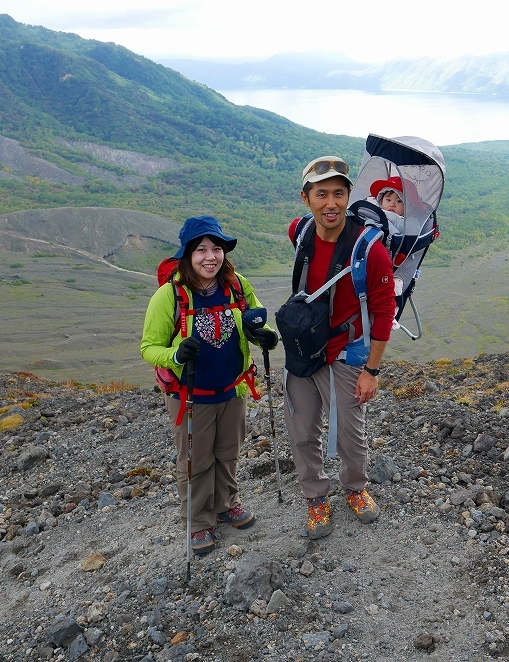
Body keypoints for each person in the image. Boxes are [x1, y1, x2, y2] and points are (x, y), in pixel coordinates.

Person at [141, 216, 278, 555]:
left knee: (227, 452)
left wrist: (261, 334)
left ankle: (225, 504)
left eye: (216, 248)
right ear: (187, 254)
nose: (210, 257)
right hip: (191, 395)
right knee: (194, 459)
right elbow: (148, 347)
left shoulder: (236, 283)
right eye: (200, 250)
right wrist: (175, 354)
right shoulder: (168, 296)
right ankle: (199, 521)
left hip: (233, 388)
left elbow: (255, 313)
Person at [283, 156, 397, 539]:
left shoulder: (369, 251)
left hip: (346, 354)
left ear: (349, 196)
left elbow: (384, 313)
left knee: (349, 432)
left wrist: (372, 371)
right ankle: (316, 496)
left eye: (338, 193)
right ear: (306, 198)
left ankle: (355, 487)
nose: (330, 203)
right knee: (301, 430)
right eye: (321, 194)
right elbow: (294, 233)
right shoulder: (300, 234)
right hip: (304, 350)